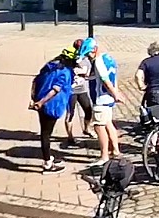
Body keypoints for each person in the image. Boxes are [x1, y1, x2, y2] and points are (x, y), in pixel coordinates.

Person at [29, 45, 76, 173]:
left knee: (45, 132)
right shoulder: (65, 71)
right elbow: (56, 89)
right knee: (46, 134)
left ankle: (48, 157)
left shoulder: (49, 66)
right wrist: (41, 102)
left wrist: (34, 99)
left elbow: (35, 81)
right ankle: (47, 164)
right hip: (51, 105)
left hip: (40, 102)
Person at [78, 38, 123, 167]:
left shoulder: (98, 61)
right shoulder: (108, 58)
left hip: (101, 99)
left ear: (94, 50)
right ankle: (115, 150)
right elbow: (113, 77)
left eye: (88, 54)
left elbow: (105, 79)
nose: (88, 58)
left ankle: (104, 156)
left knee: (99, 127)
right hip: (108, 99)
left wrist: (115, 94)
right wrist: (115, 92)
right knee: (109, 124)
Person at [64, 38, 93, 148]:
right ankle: (70, 136)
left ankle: (86, 129)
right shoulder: (70, 59)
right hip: (71, 91)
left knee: (88, 110)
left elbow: (89, 72)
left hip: (82, 89)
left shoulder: (86, 59)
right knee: (70, 114)